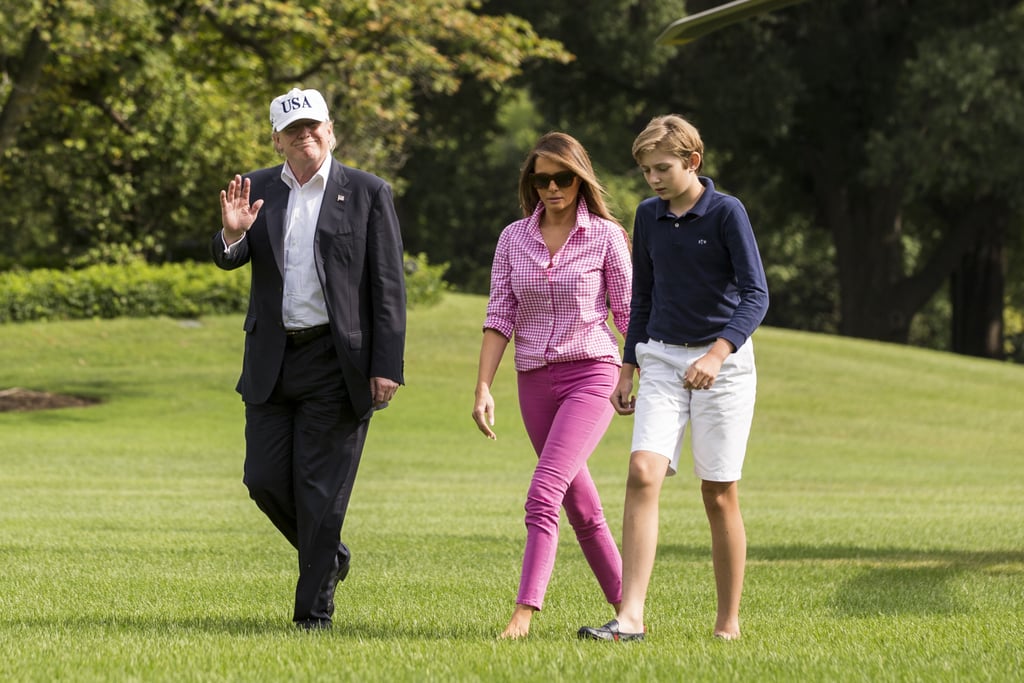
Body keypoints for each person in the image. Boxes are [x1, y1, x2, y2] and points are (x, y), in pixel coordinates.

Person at [212, 87, 406, 630]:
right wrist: (231, 236)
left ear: (331, 130)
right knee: (264, 479)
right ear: (277, 139)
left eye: (314, 126)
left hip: (338, 362)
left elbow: (388, 287)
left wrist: (387, 364)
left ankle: (312, 615)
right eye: (294, 130)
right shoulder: (256, 189)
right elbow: (232, 255)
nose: (306, 136)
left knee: (320, 492)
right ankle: (331, 555)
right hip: (272, 360)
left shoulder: (367, 192)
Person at [578, 114, 769, 643]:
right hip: (661, 358)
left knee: (719, 493)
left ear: (693, 161)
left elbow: (756, 295)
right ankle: (630, 618)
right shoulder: (647, 216)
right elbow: (642, 297)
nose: (654, 179)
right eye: (645, 171)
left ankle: (728, 623)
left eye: (662, 168)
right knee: (642, 472)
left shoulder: (728, 213)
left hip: (723, 367)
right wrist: (628, 364)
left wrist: (718, 353)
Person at [472, 132, 633, 639]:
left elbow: (630, 314)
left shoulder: (606, 238)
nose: (552, 188)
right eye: (541, 180)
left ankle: (524, 613)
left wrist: (639, 371)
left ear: (579, 178)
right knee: (580, 506)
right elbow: (501, 314)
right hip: (534, 382)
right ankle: (631, 611)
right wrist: (483, 386)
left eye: (562, 178)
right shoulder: (512, 238)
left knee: (543, 492)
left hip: (593, 374)